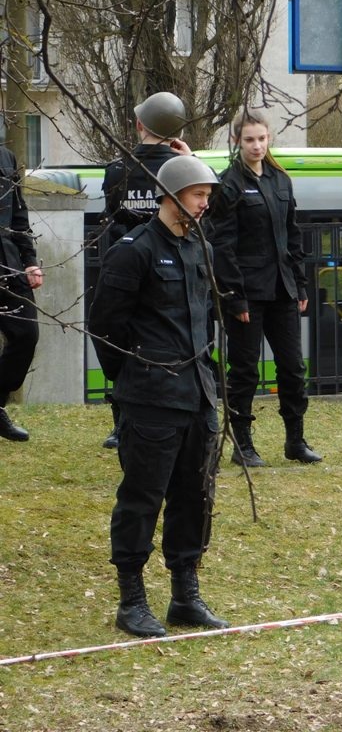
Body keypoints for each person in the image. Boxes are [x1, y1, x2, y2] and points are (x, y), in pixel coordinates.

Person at [89, 155, 228, 638]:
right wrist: (132, 380)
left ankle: (185, 597)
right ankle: (131, 601)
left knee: (195, 498)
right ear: (171, 196)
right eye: (198, 195)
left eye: (207, 195)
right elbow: (105, 326)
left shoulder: (199, 247)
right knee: (142, 498)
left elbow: (202, 321)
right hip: (151, 399)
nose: (205, 203)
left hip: (197, 396)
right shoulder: (134, 250)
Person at [207, 109, 322, 466]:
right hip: (247, 293)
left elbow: (292, 235)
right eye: (249, 140)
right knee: (244, 370)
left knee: (293, 367)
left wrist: (300, 284)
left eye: (261, 138)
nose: (257, 146)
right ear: (236, 141)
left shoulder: (280, 180)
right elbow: (223, 246)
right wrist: (234, 296)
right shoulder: (227, 185)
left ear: (269, 138)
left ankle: (295, 441)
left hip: (283, 289)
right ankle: (242, 444)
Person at [98, 91, 192, 450]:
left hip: (125, 266)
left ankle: (120, 422)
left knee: (123, 340)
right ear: (176, 132)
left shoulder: (116, 170)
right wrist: (191, 159)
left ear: (139, 124)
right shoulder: (181, 168)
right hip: (170, 269)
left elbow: (113, 218)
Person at [0, 144, 43, 442]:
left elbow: (18, 213)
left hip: (8, 260)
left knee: (27, 334)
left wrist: (29, 260)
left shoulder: (6, 156)